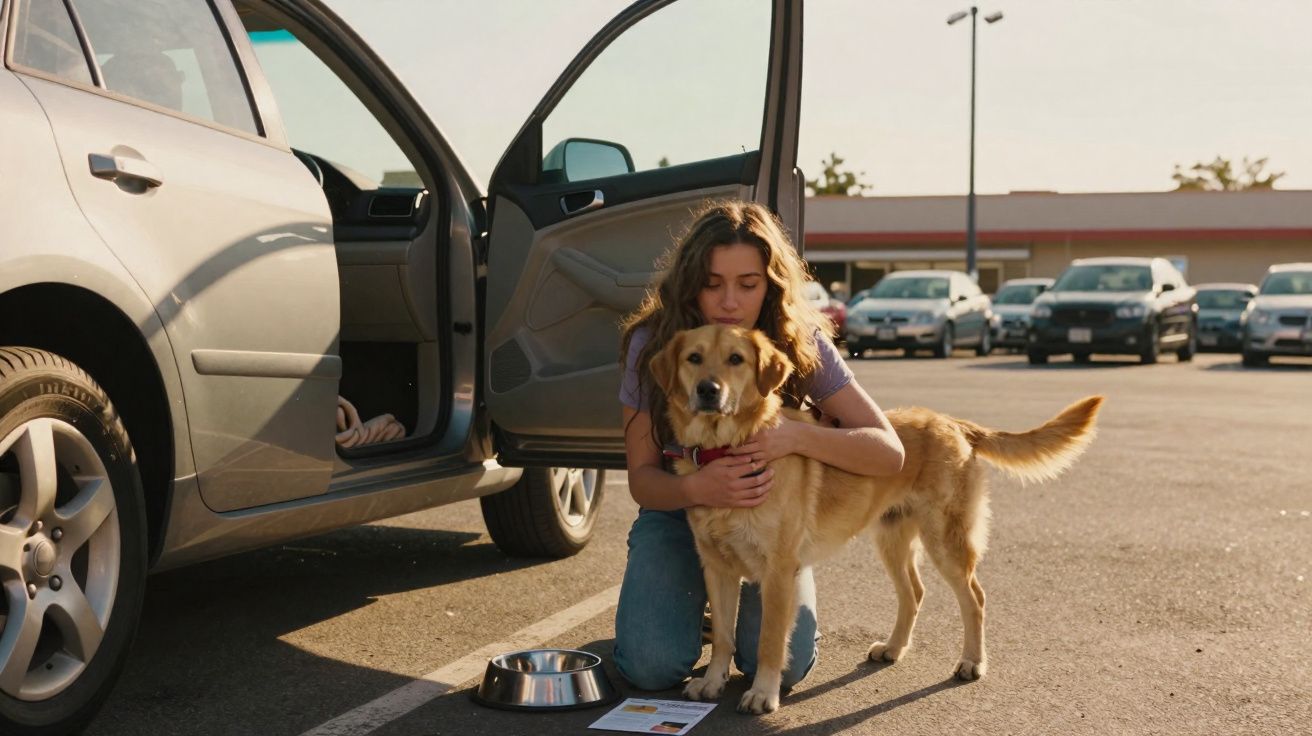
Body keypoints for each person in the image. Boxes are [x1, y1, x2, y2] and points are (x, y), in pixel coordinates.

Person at [613, 199, 906, 691]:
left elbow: (888, 452)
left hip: (770, 519)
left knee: (783, 667)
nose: (729, 300)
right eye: (712, 283)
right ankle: (693, 611)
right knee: (650, 667)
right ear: (690, 280)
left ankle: (721, 613)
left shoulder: (800, 340)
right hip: (678, 507)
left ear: (770, 283)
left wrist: (796, 435)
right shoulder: (654, 345)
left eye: (747, 284)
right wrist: (700, 487)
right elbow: (643, 480)